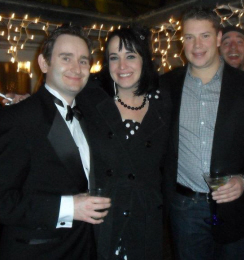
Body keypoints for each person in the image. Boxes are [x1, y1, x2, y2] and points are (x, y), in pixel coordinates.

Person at [160, 7, 244, 260]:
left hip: (234, 206)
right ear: (181, 40)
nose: (197, 45)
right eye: (189, 37)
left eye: (205, 36)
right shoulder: (166, 86)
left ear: (218, 38)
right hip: (184, 207)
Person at [0, 25, 111, 259]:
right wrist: (71, 207)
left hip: (84, 246)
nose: (76, 68)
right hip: (40, 250)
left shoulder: (89, 114)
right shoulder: (19, 118)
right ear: (43, 63)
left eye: (83, 61)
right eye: (66, 58)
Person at [76, 27, 171, 260]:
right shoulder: (90, 97)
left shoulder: (164, 102)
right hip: (103, 215)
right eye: (113, 58)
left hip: (146, 217)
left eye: (130, 56)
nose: (122, 66)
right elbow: (54, 104)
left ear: (144, 60)